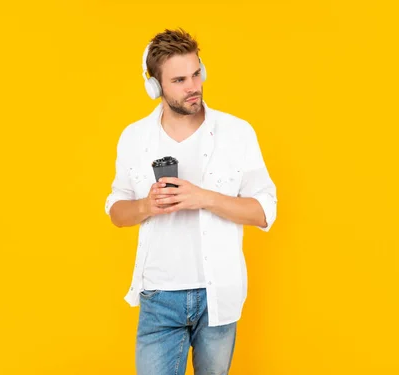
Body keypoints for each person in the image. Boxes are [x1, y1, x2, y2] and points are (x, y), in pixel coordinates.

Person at [104, 28, 277, 375]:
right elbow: (116, 211)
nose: (193, 86)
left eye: (196, 73)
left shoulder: (237, 133)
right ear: (155, 87)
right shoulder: (134, 138)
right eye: (179, 79)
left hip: (219, 295)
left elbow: (263, 211)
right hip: (159, 297)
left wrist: (203, 198)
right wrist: (146, 206)